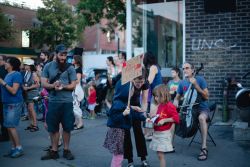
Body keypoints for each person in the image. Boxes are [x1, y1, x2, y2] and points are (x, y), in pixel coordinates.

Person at [41, 44, 77, 160]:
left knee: (67, 127)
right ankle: (54, 151)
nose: (63, 57)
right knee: (53, 128)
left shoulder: (70, 67)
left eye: (65, 55)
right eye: (61, 55)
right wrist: (53, 85)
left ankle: (66, 150)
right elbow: (44, 83)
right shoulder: (48, 66)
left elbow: (73, 85)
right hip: (53, 101)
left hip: (67, 102)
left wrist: (63, 86)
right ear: (56, 54)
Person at [103, 72, 148, 167]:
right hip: (125, 106)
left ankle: (143, 158)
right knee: (126, 134)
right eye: (137, 82)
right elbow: (115, 112)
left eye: (142, 82)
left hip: (132, 108)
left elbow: (144, 100)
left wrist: (144, 115)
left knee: (139, 132)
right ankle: (129, 160)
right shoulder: (124, 84)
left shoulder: (144, 83)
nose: (139, 84)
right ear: (132, 80)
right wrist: (126, 110)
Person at [173, 62, 210, 161]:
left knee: (201, 118)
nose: (185, 70)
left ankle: (204, 148)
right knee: (174, 117)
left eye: (187, 68)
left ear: (193, 70)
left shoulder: (200, 80)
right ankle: (169, 145)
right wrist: (176, 101)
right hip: (189, 109)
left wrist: (196, 86)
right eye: (183, 68)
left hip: (202, 108)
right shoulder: (182, 83)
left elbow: (206, 96)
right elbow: (177, 97)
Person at [148, 84, 179, 167]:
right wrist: (153, 118)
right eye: (155, 96)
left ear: (164, 95)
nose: (155, 98)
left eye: (157, 96)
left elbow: (176, 119)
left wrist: (165, 120)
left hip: (164, 133)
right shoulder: (160, 105)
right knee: (159, 155)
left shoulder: (170, 106)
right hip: (157, 132)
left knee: (160, 155)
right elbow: (160, 116)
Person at [0, 57, 24, 158]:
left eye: (7, 62)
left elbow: (14, 91)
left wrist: (3, 82)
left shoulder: (16, 74)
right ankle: (13, 148)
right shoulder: (8, 74)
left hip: (14, 103)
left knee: (11, 126)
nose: (5, 63)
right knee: (8, 127)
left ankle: (19, 148)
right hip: (6, 103)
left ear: (12, 65)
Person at [143, 52, 163, 140]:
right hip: (157, 92)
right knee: (152, 114)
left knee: (152, 114)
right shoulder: (154, 67)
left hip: (157, 93)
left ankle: (149, 134)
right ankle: (149, 133)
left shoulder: (153, 67)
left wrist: (141, 85)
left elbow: (149, 81)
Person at [23, 59, 40, 132]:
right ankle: (32, 124)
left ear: (30, 66)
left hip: (32, 93)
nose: (25, 66)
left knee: (31, 109)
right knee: (29, 109)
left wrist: (27, 87)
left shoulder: (33, 73)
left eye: (26, 65)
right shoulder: (27, 72)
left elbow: (37, 85)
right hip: (27, 93)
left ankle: (35, 125)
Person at [72, 55, 84, 129]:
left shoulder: (79, 69)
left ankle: (80, 123)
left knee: (76, 106)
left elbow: (78, 80)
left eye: (73, 59)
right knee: (74, 106)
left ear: (76, 60)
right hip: (74, 88)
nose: (71, 60)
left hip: (76, 89)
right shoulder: (75, 68)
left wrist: (70, 81)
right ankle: (77, 122)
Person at [0, 55, 8, 142]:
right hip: (2, 96)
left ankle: (5, 135)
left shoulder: (3, 70)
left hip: (3, 97)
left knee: (3, 117)